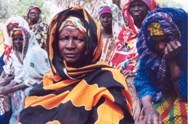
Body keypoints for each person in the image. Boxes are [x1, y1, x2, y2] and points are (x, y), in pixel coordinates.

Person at [19, 6, 134, 124]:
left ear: (90, 44)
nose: (70, 45)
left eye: (78, 39)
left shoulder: (107, 82)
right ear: (54, 43)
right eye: (64, 38)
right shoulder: (48, 82)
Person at [134, 8, 187, 123]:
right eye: (155, 41)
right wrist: (148, 107)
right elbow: (143, 79)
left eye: (164, 40)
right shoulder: (152, 54)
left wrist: (172, 61)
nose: (160, 47)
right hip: (164, 96)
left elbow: (184, 94)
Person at [110, 0, 157, 121]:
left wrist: (136, 70)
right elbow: (117, 56)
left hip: (147, 77)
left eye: (140, 5)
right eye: (133, 6)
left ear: (148, 8)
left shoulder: (156, 30)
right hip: (120, 76)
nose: (136, 9)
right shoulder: (125, 33)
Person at [0, 25, 50, 124]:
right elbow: (16, 75)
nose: (17, 42)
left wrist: (11, 88)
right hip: (23, 85)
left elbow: (35, 79)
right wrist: (5, 85)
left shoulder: (35, 53)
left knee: (23, 94)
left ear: (27, 39)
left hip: (38, 86)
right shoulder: (17, 53)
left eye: (21, 39)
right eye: (15, 39)